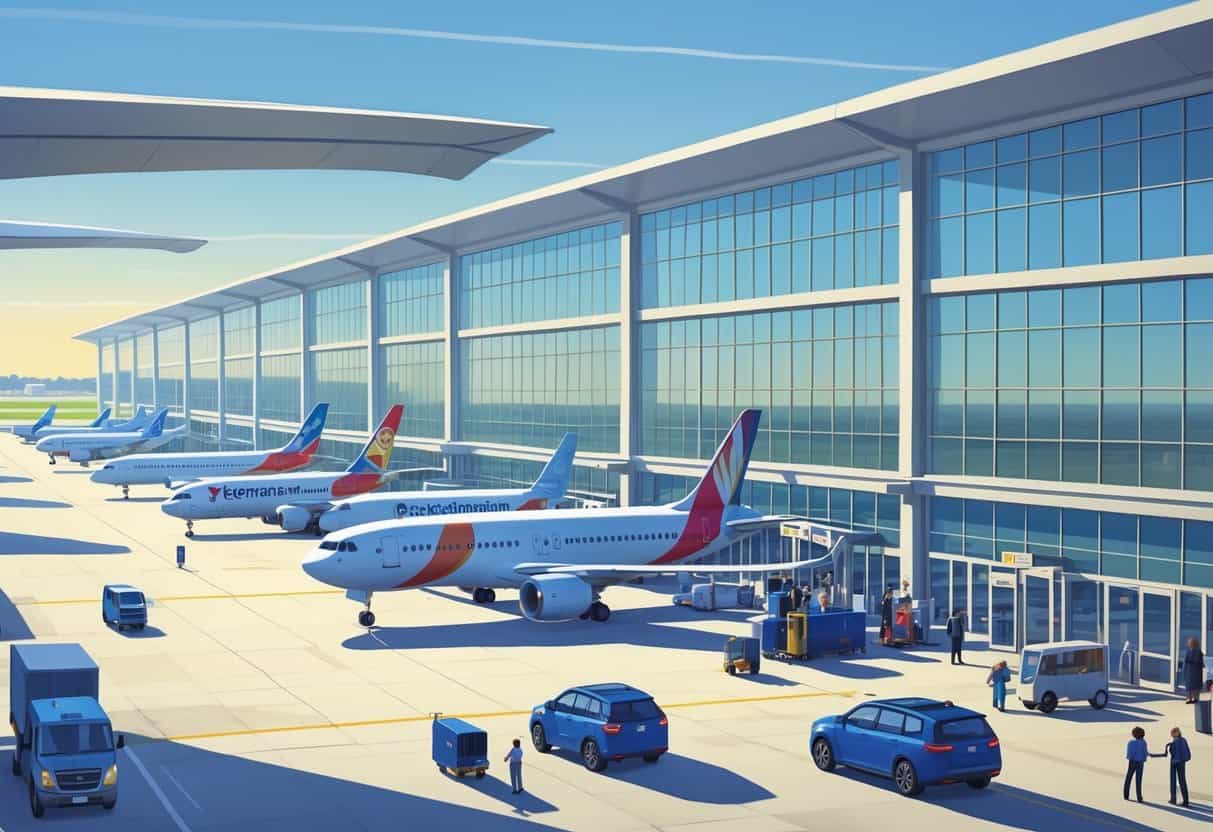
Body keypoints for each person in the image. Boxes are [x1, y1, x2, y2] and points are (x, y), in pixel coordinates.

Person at [1159, 726, 1191, 806]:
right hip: (1182, 762)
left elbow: (1173, 752)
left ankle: (1173, 798)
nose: (1171, 734)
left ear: (1176, 733)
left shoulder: (1175, 742)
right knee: (1182, 781)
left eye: (1172, 733)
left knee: (1173, 781)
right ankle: (1185, 800)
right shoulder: (1183, 740)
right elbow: (1187, 750)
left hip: (1175, 762)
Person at [1124, 726, 1150, 802]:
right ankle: (1139, 797)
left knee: (1128, 777)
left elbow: (1129, 753)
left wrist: (1130, 757)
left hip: (1132, 761)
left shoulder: (1131, 742)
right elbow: (1145, 752)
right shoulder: (1143, 742)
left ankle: (1126, 795)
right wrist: (1144, 758)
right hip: (1140, 762)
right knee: (1139, 779)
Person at [1182, 638, 1205, 704]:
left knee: (1189, 686)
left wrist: (1184, 670)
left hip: (1189, 670)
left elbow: (1185, 661)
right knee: (1196, 686)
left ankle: (1189, 699)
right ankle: (1195, 698)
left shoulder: (1188, 651)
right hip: (1196, 671)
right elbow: (1201, 662)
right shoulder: (1199, 651)